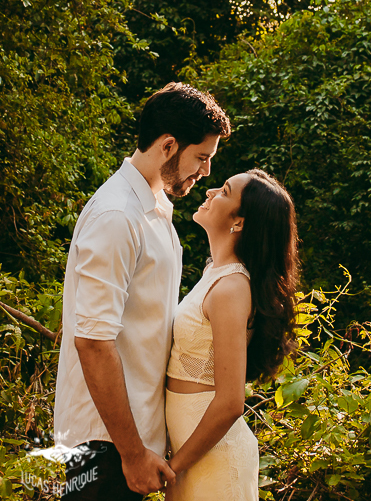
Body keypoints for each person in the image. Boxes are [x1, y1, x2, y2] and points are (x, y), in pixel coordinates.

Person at [54, 82, 231, 499]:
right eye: (202, 157)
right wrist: (132, 453)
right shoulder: (117, 215)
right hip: (103, 447)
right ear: (169, 145)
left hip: (130, 442)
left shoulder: (153, 210)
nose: (205, 172)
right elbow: (93, 342)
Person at [164, 168, 298, 500]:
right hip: (192, 453)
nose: (210, 192)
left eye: (223, 191)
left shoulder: (232, 287)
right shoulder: (216, 272)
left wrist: (175, 467)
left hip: (211, 458)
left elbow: (230, 403)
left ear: (239, 222)